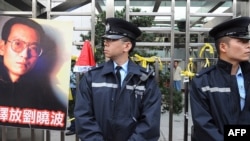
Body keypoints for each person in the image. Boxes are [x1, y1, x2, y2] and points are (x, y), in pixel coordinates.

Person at [74, 17, 162, 141]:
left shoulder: (145, 80)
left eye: (111, 40)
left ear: (126, 46)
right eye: (105, 39)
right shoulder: (92, 77)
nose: (105, 43)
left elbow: (150, 123)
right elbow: (83, 117)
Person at [0, 17, 67, 130]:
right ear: (2, 47)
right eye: (17, 44)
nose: (25, 54)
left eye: (33, 48)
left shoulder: (45, 94)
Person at [190, 16, 250, 141]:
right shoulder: (203, 82)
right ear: (223, 47)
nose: (248, 45)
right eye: (242, 41)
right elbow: (203, 125)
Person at [65, 58, 77, 136]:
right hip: (69, 90)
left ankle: (74, 128)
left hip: (72, 90)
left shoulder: (74, 70)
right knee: (70, 110)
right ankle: (72, 125)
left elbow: (76, 81)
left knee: (72, 109)